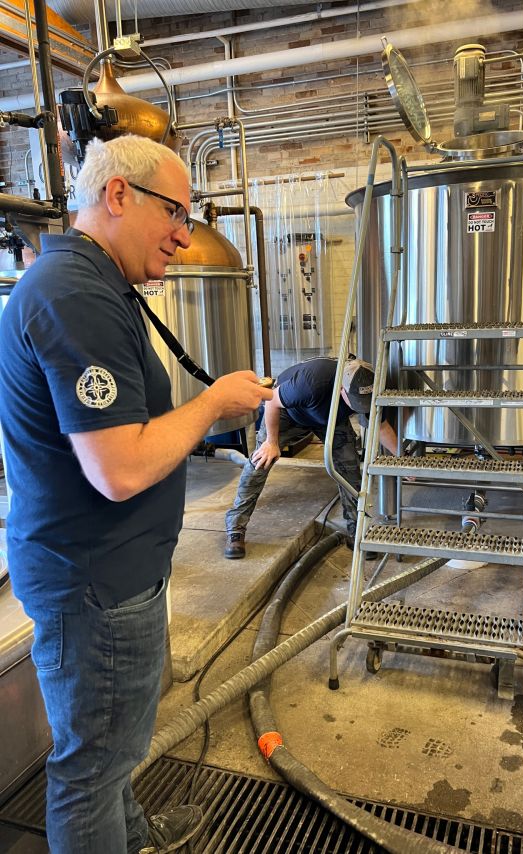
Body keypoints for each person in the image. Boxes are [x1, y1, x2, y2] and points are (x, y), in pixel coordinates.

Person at [0, 134, 272, 854]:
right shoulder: (75, 295)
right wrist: (213, 403)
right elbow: (118, 468)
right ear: (118, 195)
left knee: (113, 751)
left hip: (107, 574)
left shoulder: (94, 286)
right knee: (91, 769)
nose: (185, 235)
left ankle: (134, 839)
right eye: (175, 213)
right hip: (95, 585)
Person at [224, 356, 397, 559]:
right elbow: (272, 401)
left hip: (330, 419)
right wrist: (271, 442)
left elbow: (381, 426)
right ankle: (236, 527)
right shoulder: (311, 381)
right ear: (341, 389)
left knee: (349, 469)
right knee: (260, 462)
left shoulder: (365, 385)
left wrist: (402, 459)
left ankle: (357, 531)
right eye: (356, 402)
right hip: (287, 412)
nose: (360, 408)